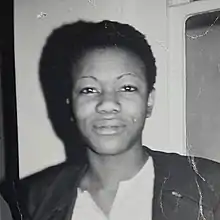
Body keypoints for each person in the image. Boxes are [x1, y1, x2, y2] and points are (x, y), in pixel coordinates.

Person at [1, 20, 220, 220]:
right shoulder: (31, 200)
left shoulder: (211, 189)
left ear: (149, 101)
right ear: (70, 104)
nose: (107, 104)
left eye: (127, 87)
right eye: (89, 89)